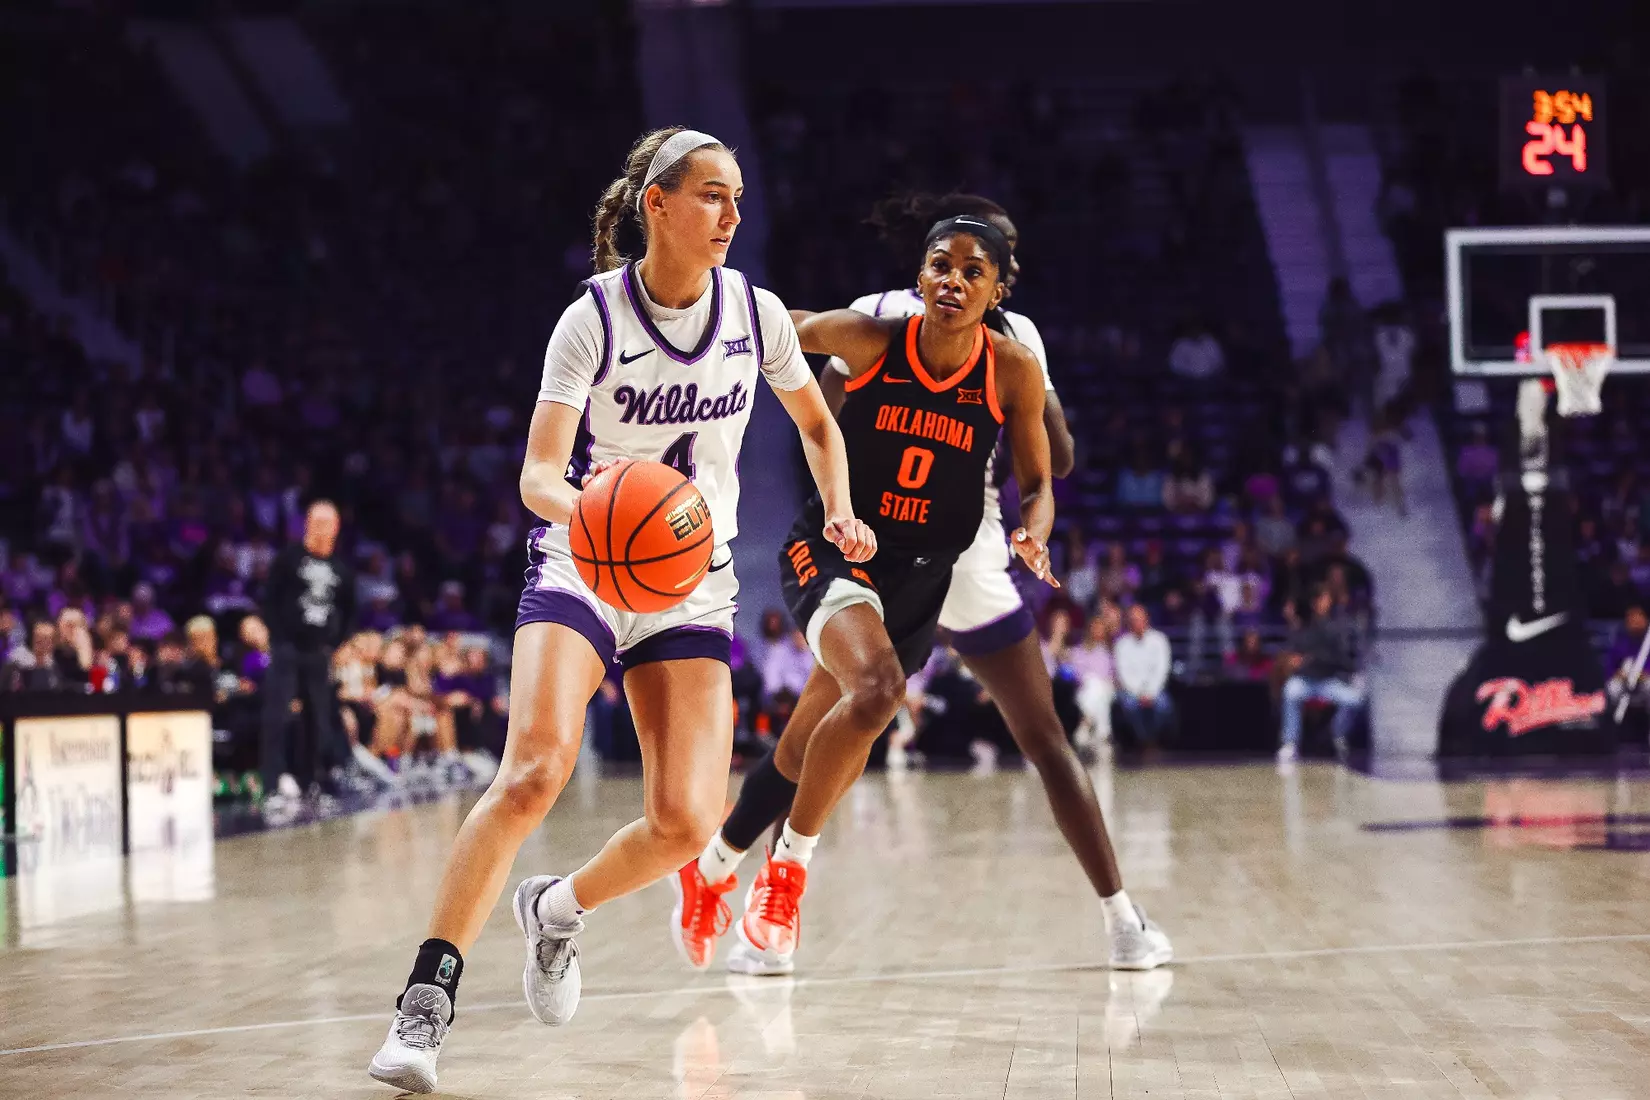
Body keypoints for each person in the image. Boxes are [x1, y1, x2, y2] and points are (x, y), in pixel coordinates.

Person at [367, 127, 871, 1095]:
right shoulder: (591, 318)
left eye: (738, 200)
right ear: (660, 205)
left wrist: (840, 506)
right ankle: (425, 1002)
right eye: (713, 196)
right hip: (586, 560)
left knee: (687, 822)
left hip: (693, 578)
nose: (731, 216)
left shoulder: (755, 312)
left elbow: (815, 420)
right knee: (532, 771)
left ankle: (556, 907)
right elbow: (537, 475)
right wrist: (596, 510)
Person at [675, 208, 1167, 977]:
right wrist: (696, 307)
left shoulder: (1016, 356)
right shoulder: (879, 321)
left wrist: (1035, 516)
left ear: (1001, 279)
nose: (956, 278)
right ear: (922, 270)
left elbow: (1051, 470)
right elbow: (795, 345)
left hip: (950, 565)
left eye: (978, 268)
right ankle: (781, 887)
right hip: (852, 545)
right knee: (877, 700)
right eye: (944, 262)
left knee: (815, 738)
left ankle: (712, 868)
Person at [260, 500, 356, 814]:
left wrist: (337, 643)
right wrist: (276, 637)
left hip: (318, 653)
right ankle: (271, 785)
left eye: (329, 523)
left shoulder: (341, 570)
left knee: (320, 718)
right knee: (276, 716)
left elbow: (349, 610)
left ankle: (314, 781)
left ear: (337, 528)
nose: (322, 529)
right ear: (307, 524)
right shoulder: (288, 560)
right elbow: (269, 599)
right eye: (317, 522)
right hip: (287, 649)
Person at [1277, 587, 1365, 765]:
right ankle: (1290, 743)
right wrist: (1301, 660)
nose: (1323, 603)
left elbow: (1337, 658)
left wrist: (1312, 658)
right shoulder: (1304, 627)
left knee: (1356, 700)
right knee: (1290, 691)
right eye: (1320, 599)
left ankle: (1338, 733)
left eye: (1325, 599)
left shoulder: (1335, 628)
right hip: (1306, 680)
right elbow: (1295, 657)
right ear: (1314, 603)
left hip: (1329, 681)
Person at [1114, 604, 1174, 754]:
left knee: (1163, 707)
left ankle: (1152, 739)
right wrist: (1139, 693)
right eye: (1133, 620)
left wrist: (1150, 693)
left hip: (1155, 689)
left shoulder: (1159, 640)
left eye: (1139, 619)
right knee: (1130, 706)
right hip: (1131, 690)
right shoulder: (1122, 644)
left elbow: (1162, 670)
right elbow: (1123, 673)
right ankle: (1143, 741)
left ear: (1147, 619)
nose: (1136, 623)